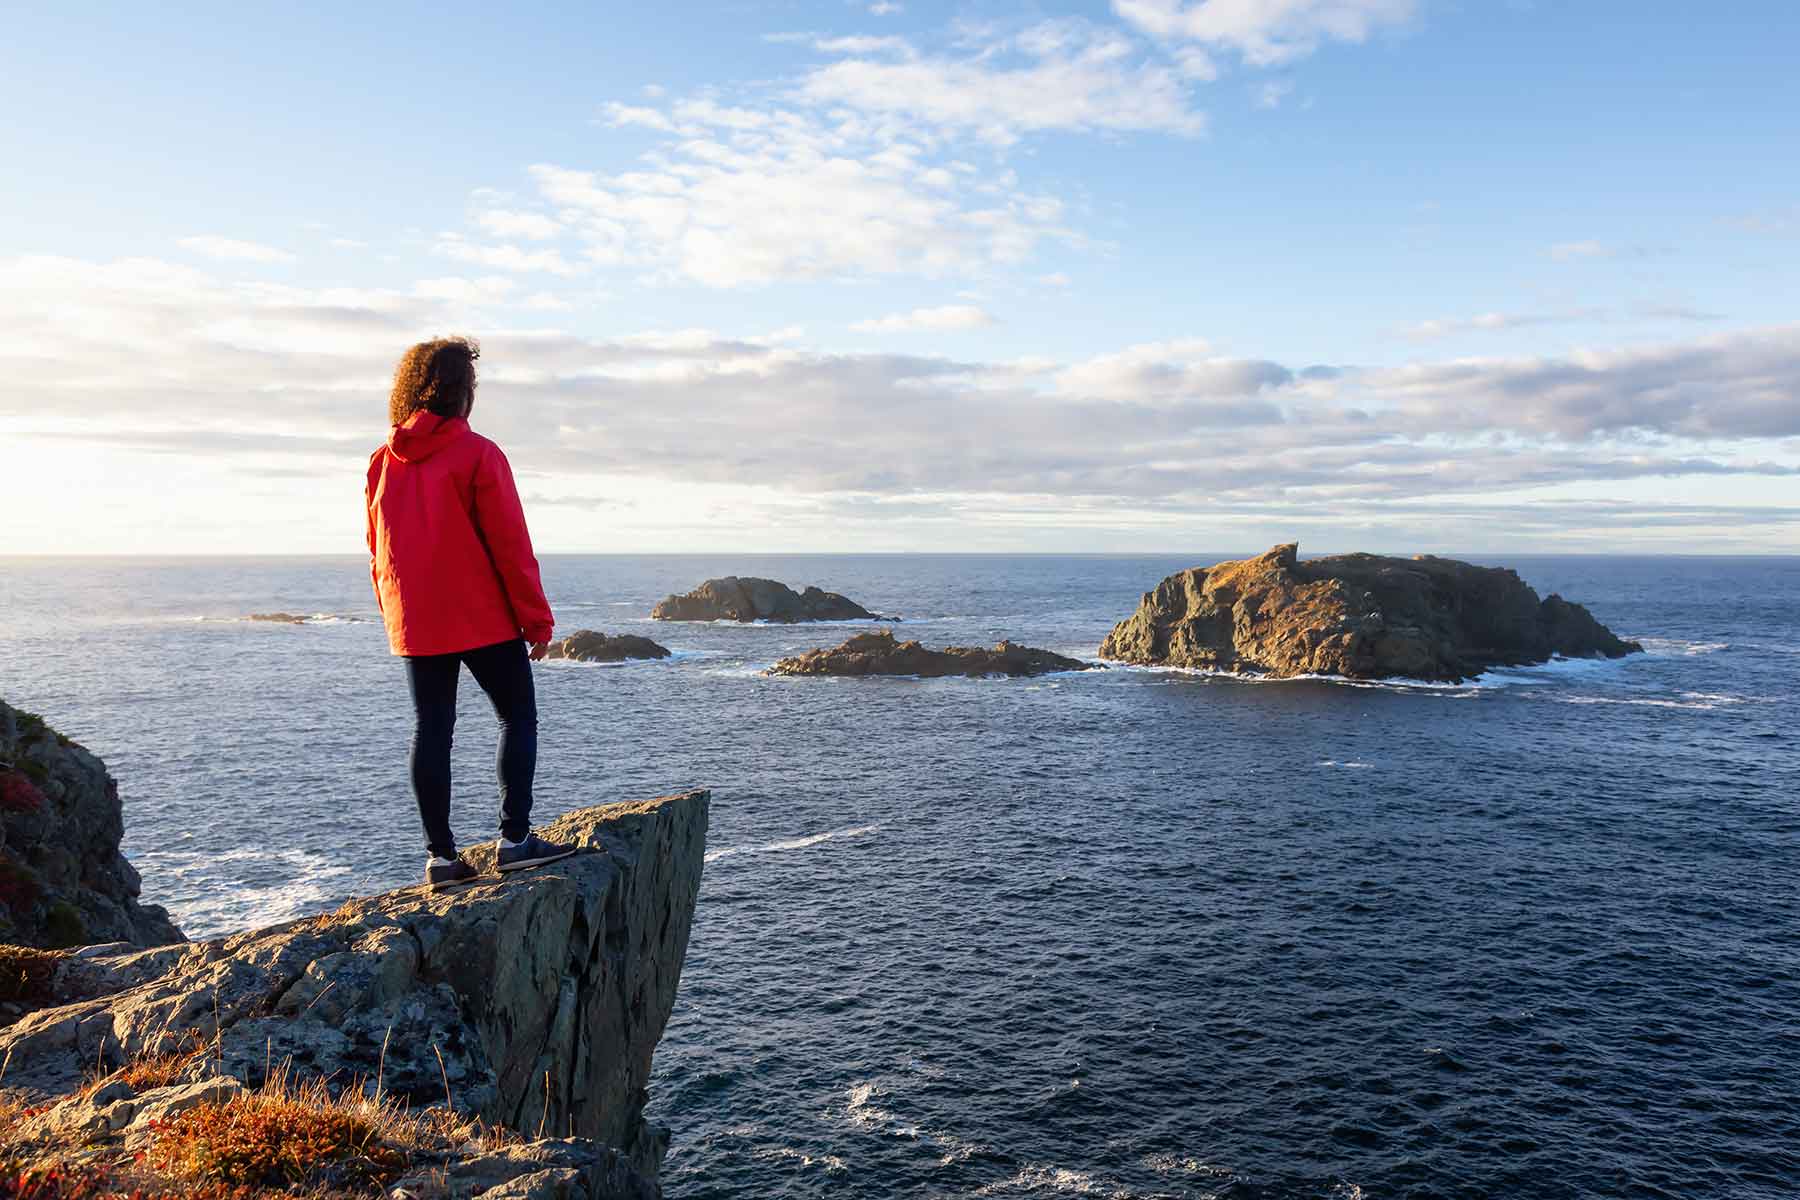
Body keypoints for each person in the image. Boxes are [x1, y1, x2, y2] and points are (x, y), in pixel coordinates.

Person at [365, 336, 575, 890]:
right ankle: (514, 842)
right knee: (517, 716)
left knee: (432, 729)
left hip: (416, 618)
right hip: (481, 614)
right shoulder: (480, 454)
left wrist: (395, 613)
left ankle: (440, 859)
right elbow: (511, 545)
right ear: (464, 391)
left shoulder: (382, 461)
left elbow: (377, 546)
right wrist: (537, 619)